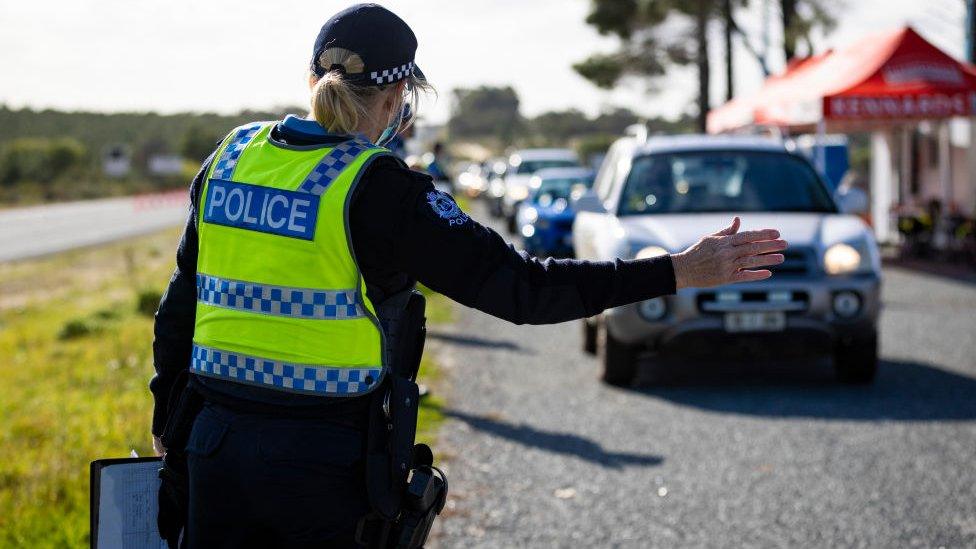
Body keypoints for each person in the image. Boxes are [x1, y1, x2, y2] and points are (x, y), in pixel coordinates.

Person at [150, 4, 787, 548]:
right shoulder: (382, 190)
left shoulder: (231, 157)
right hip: (323, 471)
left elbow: (180, 306)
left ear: (311, 79)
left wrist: (166, 420)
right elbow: (527, 290)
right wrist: (676, 272)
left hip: (213, 451)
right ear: (400, 100)